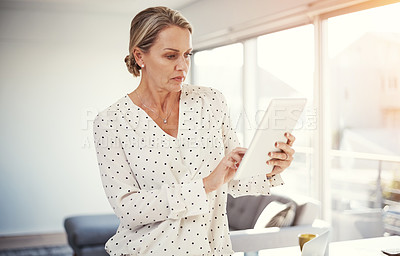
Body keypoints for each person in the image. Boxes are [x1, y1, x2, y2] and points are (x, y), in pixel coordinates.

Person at [93, 6, 296, 256]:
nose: (182, 66)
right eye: (170, 56)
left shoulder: (211, 102)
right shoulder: (111, 122)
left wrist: (268, 168)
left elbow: (234, 177)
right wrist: (206, 184)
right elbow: (130, 210)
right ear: (139, 56)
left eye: (187, 54)